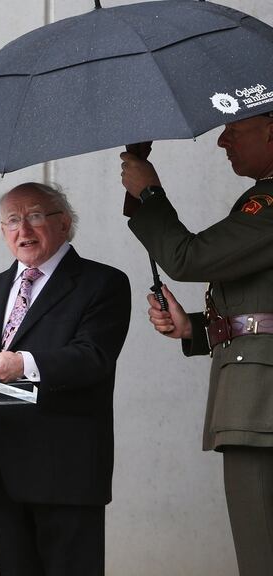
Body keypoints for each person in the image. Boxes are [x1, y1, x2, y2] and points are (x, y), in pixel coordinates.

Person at [0, 182, 131, 576]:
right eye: (12, 220)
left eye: (35, 216)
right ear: (2, 231)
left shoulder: (101, 282)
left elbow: (93, 357)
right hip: (1, 468)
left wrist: (22, 363)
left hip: (65, 469)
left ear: (64, 223)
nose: (23, 230)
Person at [119, 112, 273, 576]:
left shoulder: (269, 203)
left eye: (234, 129)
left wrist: (150, 193)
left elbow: (189, 258)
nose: (223, 141)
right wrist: (197, 329)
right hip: (258, 400)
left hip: (261, 404)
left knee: (262, 551)